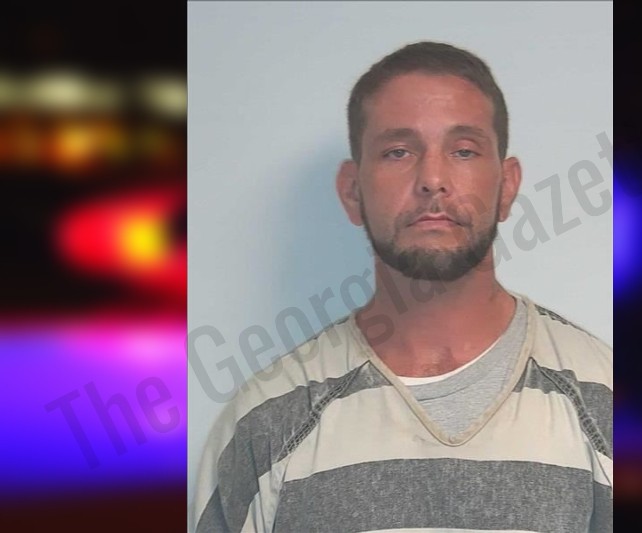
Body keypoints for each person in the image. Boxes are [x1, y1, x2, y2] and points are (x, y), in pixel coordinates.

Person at [192, 41, 612, 533]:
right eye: (398, 152)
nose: (432, 178)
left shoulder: (606, 404)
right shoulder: (266, 422)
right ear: (352, 191)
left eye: (463, 150)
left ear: (508, 185)